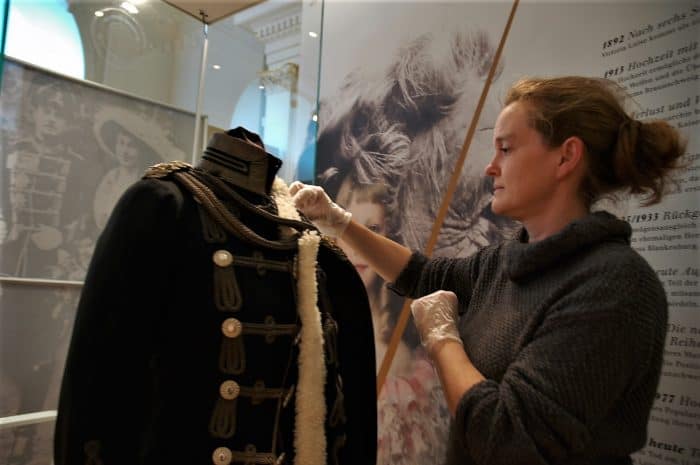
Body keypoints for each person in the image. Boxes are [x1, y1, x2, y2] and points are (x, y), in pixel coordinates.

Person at [290, 75, 685, 465]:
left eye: (506, 149)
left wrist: (443, 341)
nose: (490, 168)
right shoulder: (506, 260)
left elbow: (509, 439)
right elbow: (422, 275)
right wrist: (340, 222)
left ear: (566, 157)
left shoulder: (613, 285)